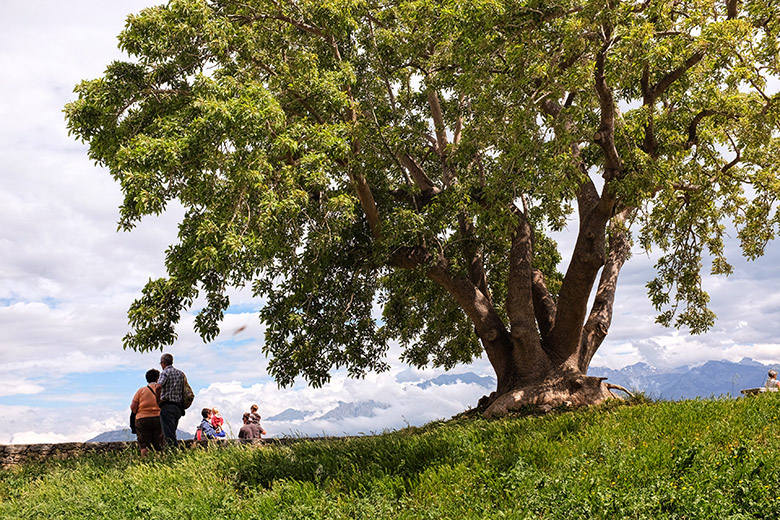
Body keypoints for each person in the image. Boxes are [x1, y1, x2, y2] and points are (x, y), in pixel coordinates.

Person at [156, 353, 188, 447]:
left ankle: (173, 454)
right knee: (172, 431)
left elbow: (158, 386)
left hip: (167, 406)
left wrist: (157, 400)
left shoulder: (165, 372)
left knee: (168, 435)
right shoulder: (180, 374)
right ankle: (173, 452)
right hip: (178, 407)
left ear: (163, 363)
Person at [130, 369, 165, 456]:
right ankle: (159, 462)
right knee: (159, 444)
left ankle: (145, 462)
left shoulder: (141, 391)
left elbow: (133, 407)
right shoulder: (162, 390)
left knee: (144, 445)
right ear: (158, 378)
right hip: (159, 418)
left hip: (142, 419)